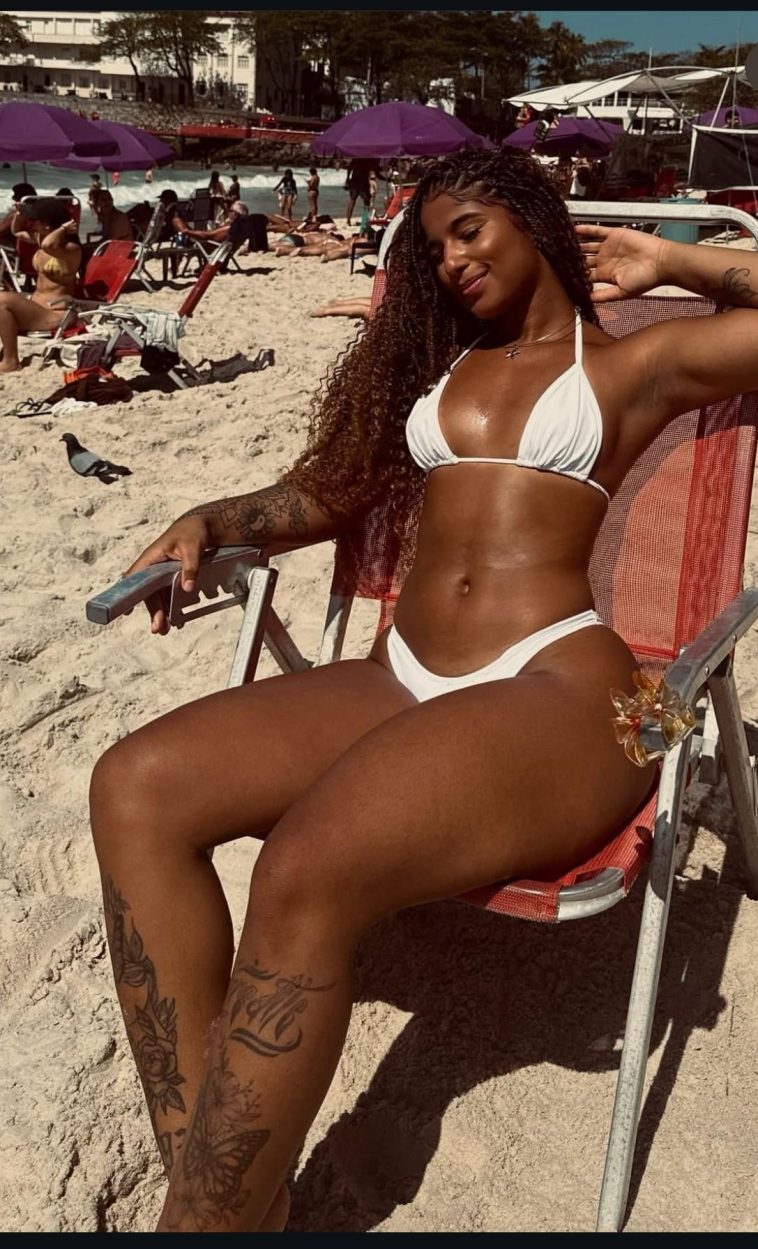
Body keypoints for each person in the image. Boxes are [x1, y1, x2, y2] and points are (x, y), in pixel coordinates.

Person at [88, 145, 758, 1232]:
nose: (449, 261)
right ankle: (224, 1198)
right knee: (135, 786)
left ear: (534, 222)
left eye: (469, 231)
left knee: (305, 868)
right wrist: (214, 519)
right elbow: (328, 492)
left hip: (559, 683)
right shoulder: (437, 373)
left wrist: (676, 259)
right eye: (432, 245)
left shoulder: (635, 364)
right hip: (402, 674)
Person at [0, 197, 81, 373]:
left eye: (34, 220)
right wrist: (19, 214)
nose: (30, 224)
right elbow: (16, 231)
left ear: (47, 225)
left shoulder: (70, 250)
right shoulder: (41, 238)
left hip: (56, 314)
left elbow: (48, 245)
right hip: (37, 308)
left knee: (1, 300)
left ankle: (10, 361)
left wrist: (63, 229)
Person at [345, 156, 373, 225]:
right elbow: (375, 170)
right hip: (363, 182)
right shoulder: (368, 158)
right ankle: (365, 220)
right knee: (366, 202)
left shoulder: (356, 157)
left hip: (355, 181)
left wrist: (348, 178)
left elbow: (349, 168)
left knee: (352, 201)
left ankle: (348, 220)